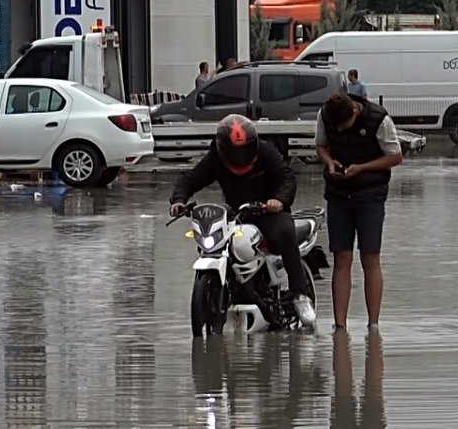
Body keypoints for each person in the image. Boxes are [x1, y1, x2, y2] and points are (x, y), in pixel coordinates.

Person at [170, 115, 316, 329]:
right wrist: (179, 200)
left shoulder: (266, 151)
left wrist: (279, 200)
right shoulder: (215, 159)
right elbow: (191, 178)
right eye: (234, 151)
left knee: (285, 233)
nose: (240, 155)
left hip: (269, 212)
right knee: (219, 245)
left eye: (244, 149)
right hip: (236, 215)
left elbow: (287, 177)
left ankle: (300, 296)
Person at [316, 93, 402, 332]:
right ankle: (340, 326)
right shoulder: (326, 115)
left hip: (370, 195)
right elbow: (321, 145)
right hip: (338, 194)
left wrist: (362, 168)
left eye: (344, 126)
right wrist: (329, 162)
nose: (340, 131)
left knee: (370, 258)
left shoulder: (379, 119)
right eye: (336, 128)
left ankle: (373, 325)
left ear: (355, 112)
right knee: (341, 258)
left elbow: (395, 156)